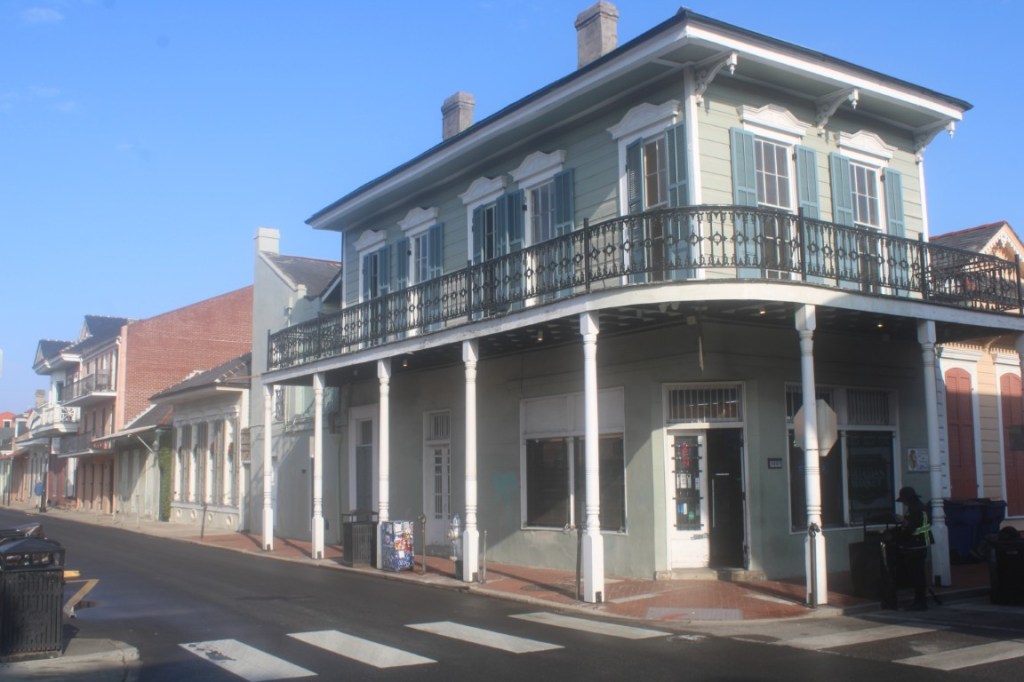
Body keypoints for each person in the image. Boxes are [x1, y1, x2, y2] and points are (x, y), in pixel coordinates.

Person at [894, 486, 932, 610]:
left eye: (904, 500)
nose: (903, 503)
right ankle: (920, 600)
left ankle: (920, 602)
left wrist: (897, 536)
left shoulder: (915, 509)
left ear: (908, 499)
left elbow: (911, 529)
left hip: (915, 544)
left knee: (917, 575)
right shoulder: (919, 506)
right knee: (918, 574)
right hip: (919, 544)